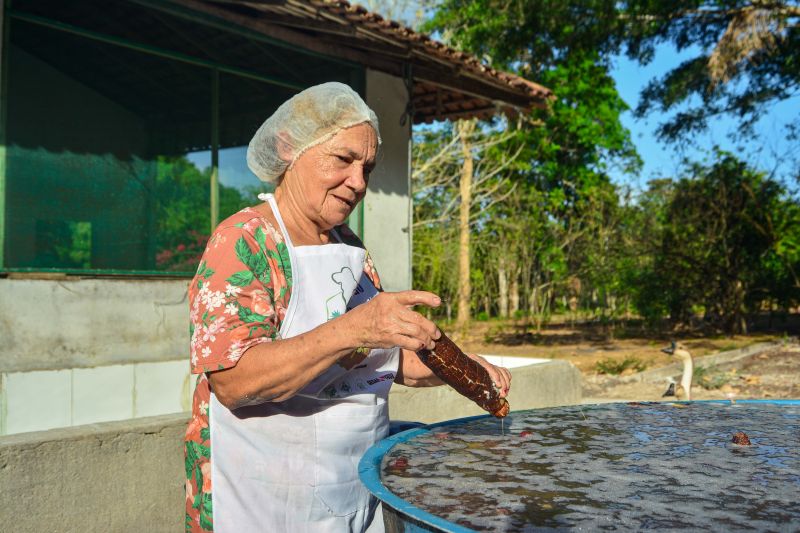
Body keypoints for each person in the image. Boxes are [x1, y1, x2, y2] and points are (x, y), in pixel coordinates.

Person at [184, 82, 511, 532]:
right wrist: (354, 329)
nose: (358, 182)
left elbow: (384, 360)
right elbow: (234, 381)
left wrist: (465, 367)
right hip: (265, 498)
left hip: (349, 491)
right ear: (289, 148)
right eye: (343, 159)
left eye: (368, 168)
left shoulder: (350, 248)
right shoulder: (244, 242)